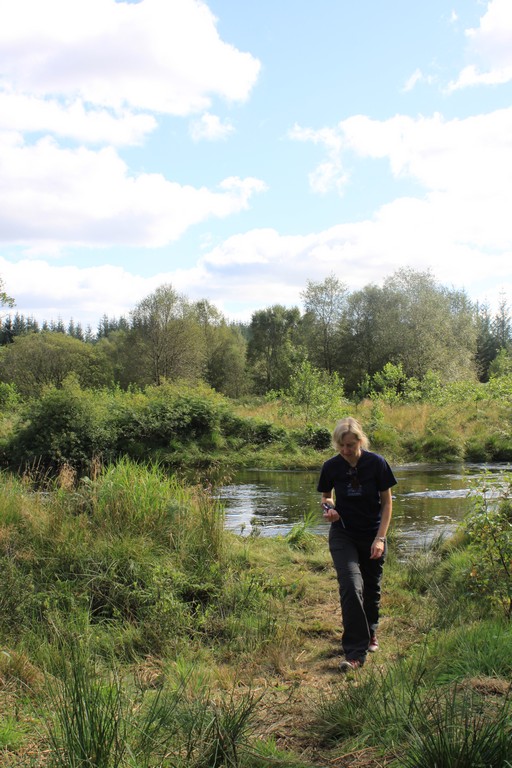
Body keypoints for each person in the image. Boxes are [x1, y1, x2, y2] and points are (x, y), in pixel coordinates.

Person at [317, 417, 397, 672]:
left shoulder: (377, 464)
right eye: (341, 446)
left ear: (360, 441)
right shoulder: (331, 466)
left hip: (372, 533)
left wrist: (380, 538)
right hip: (343, 534)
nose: (345, 450)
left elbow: (387, 503)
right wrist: (329, 509)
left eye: (350, 445)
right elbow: (326, 497)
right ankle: (354, 653)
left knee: (371, 590)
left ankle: (370, 630)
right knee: (351, 587)